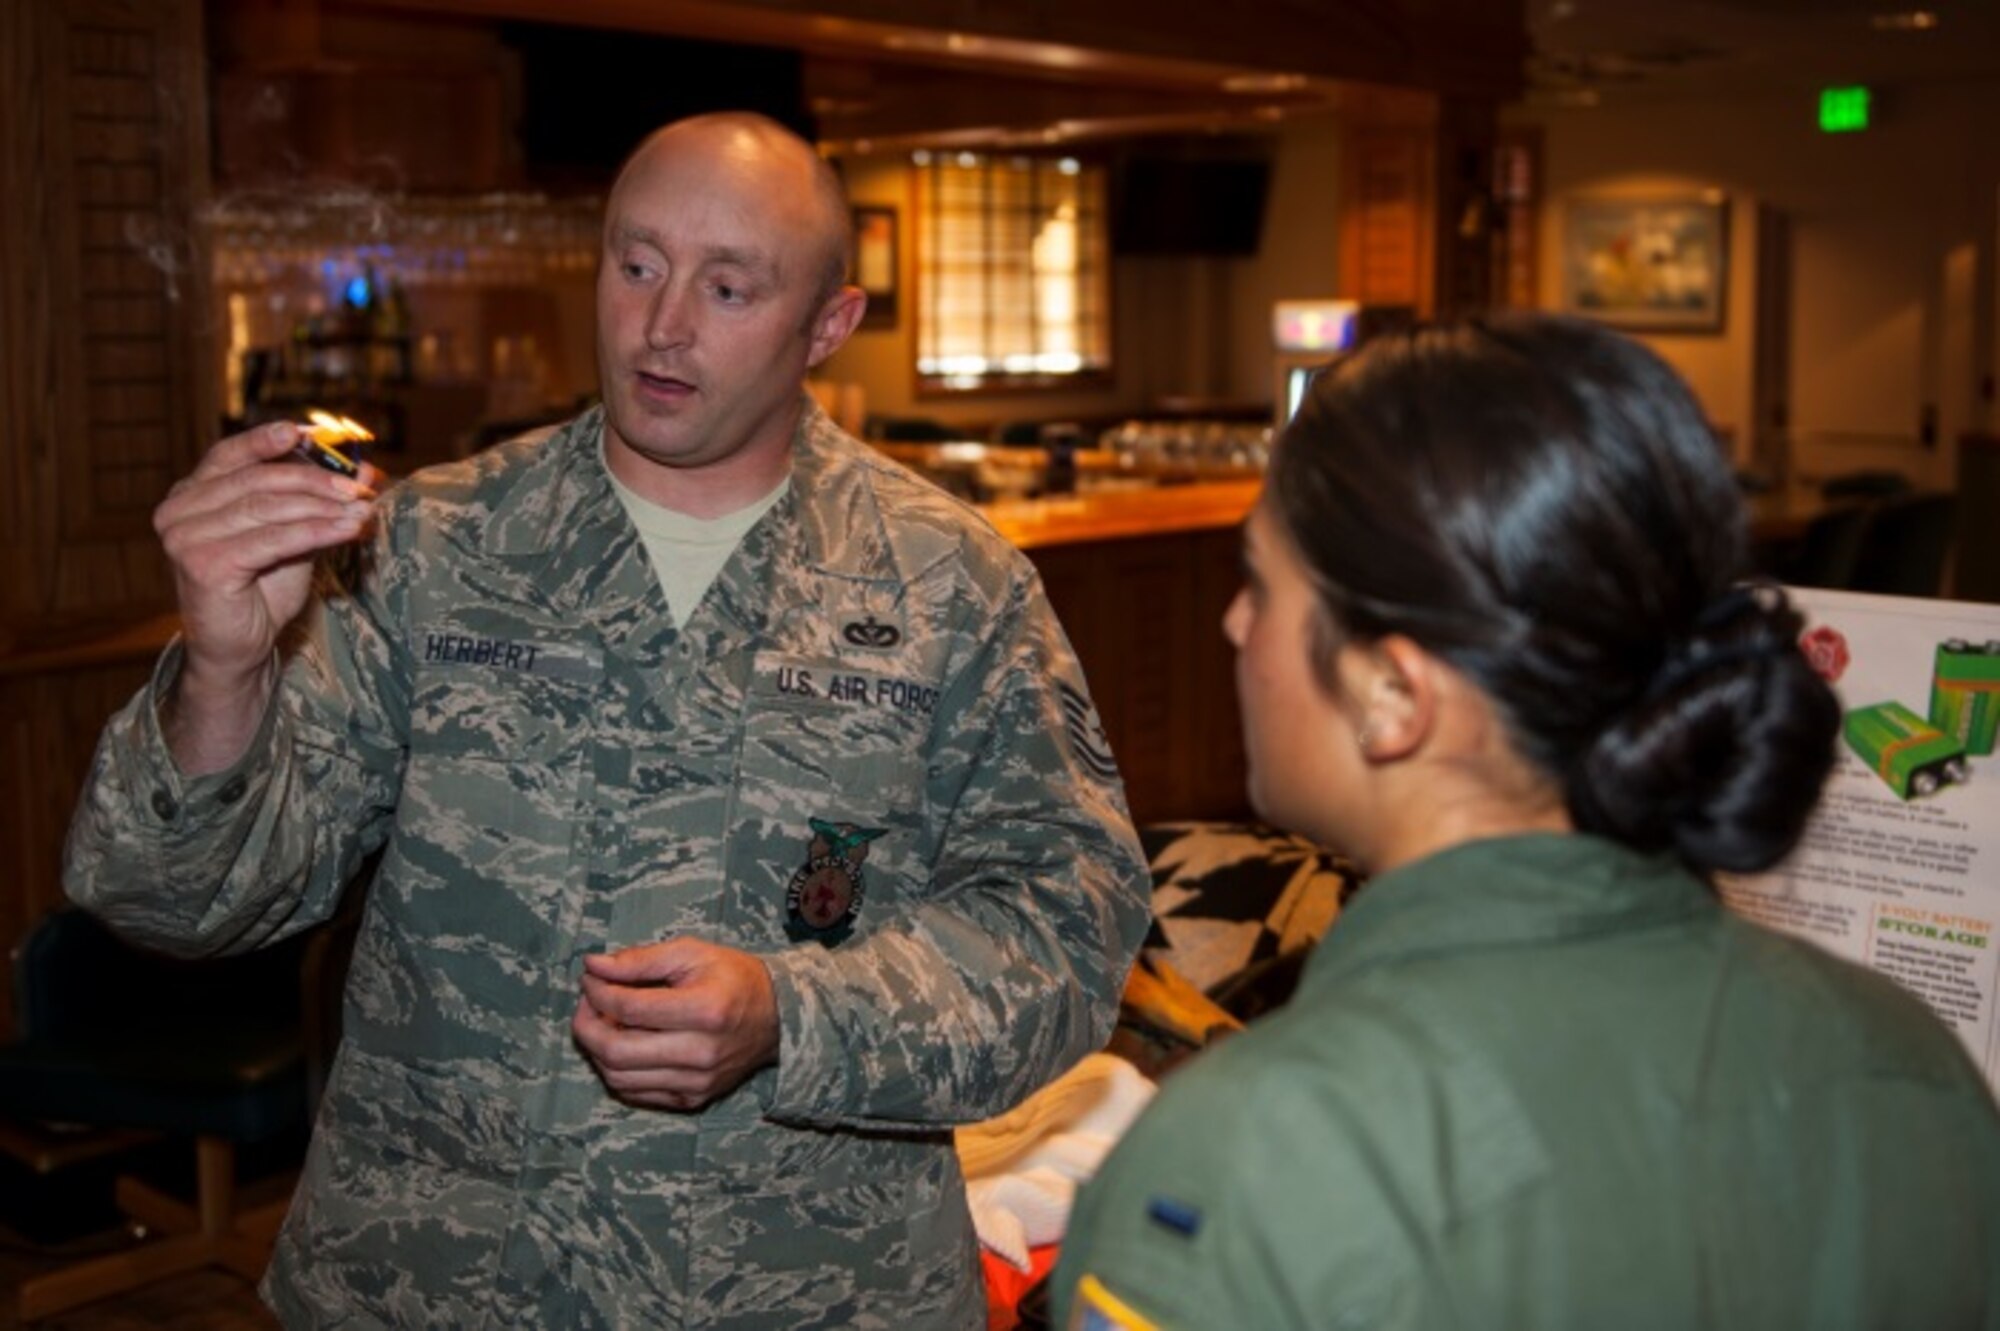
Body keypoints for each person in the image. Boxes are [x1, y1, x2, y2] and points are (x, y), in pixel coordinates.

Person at [64, 112, 1151, 1328]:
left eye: (727, 288)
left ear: (826, 325)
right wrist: (223, 668)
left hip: (801, 1286)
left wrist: (795, 1012)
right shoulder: (434, 545)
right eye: (636, 266)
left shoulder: (947, 583)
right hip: (440, 1280)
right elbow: (175, 900)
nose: (662, 325)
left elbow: (1065, 932)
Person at [1051, 314, 2000, 1329]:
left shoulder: (1244, 1162)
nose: (1234, 622)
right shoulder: (1914, 1064)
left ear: (1393, 693)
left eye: (1261, 583)